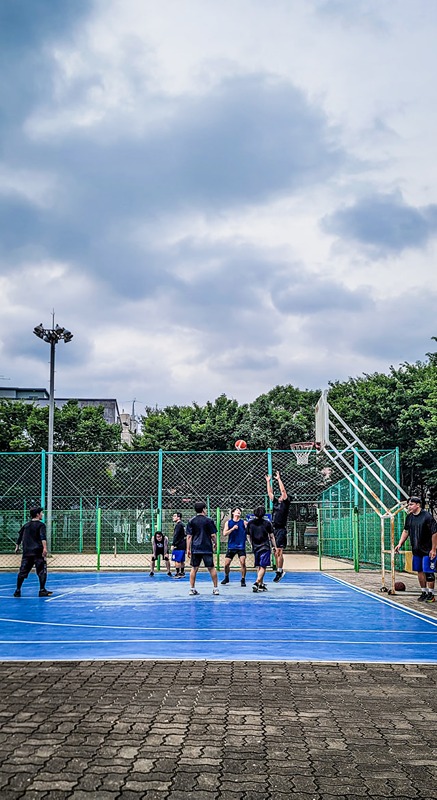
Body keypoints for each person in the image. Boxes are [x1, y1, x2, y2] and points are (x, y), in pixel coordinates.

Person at [395, 496, 437, 602]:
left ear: (418, 505)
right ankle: (424, 592)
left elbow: (434, 533)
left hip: (427, 550)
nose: (409, 506)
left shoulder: (427, 517)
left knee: (429, 572)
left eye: (411, 504)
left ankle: (431, 594)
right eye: (408, 504)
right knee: (419, 571)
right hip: (416, 549)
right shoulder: (409, 517)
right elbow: (406, 531)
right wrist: (400, 543)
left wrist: (434, 549)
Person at [14, 507, 52, 597]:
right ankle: (42, 590)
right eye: (41, 513)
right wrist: (45, 548)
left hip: (27, 552)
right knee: (42, 570)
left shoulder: (26, 525)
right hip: (38, 551)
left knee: (22, 571)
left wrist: (17, 546)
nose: (42, 514)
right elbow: (43, 537)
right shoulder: (41, 525)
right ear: (38, 514)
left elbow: (20, 537)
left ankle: (18, 590)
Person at [186, 501, 219, 595]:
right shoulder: (209, 520)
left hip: (195, 548)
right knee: (211, 568)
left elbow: (189, 536)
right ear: (204, 509)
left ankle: (192, 589)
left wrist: (188, 549)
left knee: (194, 568)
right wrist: (216, 543)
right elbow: (213, 535)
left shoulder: (191, 521)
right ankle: (215, 588)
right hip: (206, 547)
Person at [265, 470, 290, 582]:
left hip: (281, 529)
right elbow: (270, 493)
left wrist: (279, 479)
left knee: (279, 551)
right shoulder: (276, 503)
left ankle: (279, 570)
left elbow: (283, 491)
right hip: (273, 529)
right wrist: (268, 481)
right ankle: (279, 570)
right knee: (275, 551)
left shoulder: (285, 503)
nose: (280, 496)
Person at [246, 506, 276, 593]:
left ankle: (261, 584)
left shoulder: (250, 523)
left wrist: (251, 543)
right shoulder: (267, 523)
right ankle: (257, 582)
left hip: (256, 547)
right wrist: (275, 546)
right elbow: (271, 536)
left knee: (259, 565)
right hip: (265, 546)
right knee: (263, 566)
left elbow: (248, 535)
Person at [221, 507, 247, 587]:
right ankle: (226, 577)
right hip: (231, 546)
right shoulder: (228, 522)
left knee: (242, 562)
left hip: (241, 546)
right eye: (236, 511)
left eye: (239, 511)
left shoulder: (244, 523)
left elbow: (248, 532)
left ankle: (243, 579)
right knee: (226, 564)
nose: (238, 512)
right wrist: (232, 529)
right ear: (233, 513)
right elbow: (224, 533)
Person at [171, 512, 186, 578]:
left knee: (177, 560)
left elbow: (176, 535)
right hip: (183, 544)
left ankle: (178, 573)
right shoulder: (183, 525)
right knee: (182, 560)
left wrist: (173, 544)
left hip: (178, 544)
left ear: (178, 517)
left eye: (174, 516)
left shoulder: (178, 525)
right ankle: (182, 572)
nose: (173, 517)